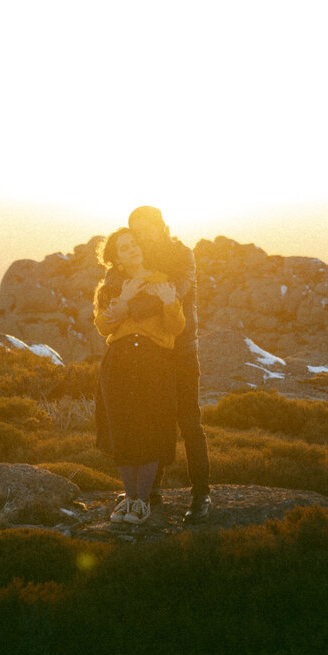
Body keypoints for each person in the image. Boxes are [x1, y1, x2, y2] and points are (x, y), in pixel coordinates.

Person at [122, 205, 212, 522]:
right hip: (151, 352)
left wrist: (132, 307)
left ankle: (201, 495)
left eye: (147, 228)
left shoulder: (181, 255)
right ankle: (152, 490)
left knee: (189, 422)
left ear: (161, 226)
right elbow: (114, 290)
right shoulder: (138, 258)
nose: (142, 234)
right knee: (153, 421)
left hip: (183, 350)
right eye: (137, 229)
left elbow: (175, 291)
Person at [93, 227, 185, 525]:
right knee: (122, 428)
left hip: (152, 361)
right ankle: (130, 499)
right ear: (116, 258)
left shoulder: (162, 281)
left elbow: (175, 328)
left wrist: (170, 301)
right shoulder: (110, 287)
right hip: (118, 361)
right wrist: (125, 296)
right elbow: (104, 326)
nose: (131, 249)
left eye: (134, 244)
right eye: (123, 247)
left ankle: (142, 502)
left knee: (150, 428)